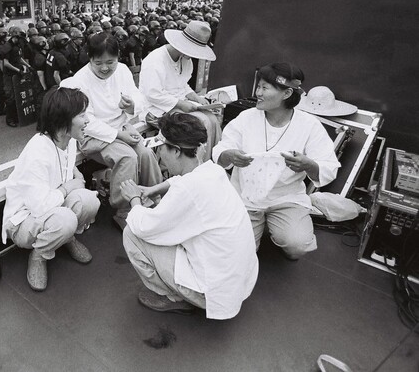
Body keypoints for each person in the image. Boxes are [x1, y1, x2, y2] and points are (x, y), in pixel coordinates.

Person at [120, 112, 258, 319]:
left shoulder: (189, 190)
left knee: (131, 233)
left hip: (210, 294)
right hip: (237, 282)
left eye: (161, 149)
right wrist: (154, 189)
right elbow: (183, 181)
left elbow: (144, 227)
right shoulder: (214, 171)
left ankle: (174, 298)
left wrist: (134, 199)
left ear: (175, 151)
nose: (161, 156)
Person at [211, 62, 341, 260]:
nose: (258, 92)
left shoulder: (309, 125)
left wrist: (308, 165)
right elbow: (220, 149)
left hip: (285, 198)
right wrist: (229, 155)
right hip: (246, 197)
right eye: (259, 86)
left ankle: (280, 227)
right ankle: (256, 226)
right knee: (238, 255)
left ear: (287, 94)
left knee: (297, 246)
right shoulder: (246, 118)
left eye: (264, 87)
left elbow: (329, 167)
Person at [60, 32, 162, 229]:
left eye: (110, 62)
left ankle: (154, 197)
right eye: (98, 63)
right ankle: (124, 210)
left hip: (122, 126)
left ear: (118, 58)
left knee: (146, 154)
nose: (105, 68)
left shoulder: (123, 70)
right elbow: (86, 121)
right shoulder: (79, 80)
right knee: (127, 158)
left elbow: (137, 95)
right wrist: (118, 134)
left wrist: (132, 103)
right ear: (89, 58)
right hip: (92, 134)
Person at [2, 87, 99, 291]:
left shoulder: (68, 140)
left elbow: (61, 160)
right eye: (82, 115)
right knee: (66, 220)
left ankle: (67, 237)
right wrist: (68, 187)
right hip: (23, 221)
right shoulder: (37, 151)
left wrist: (74, 172)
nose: (87, 119)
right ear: (64, 121)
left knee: (90, 201)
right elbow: (38, 206)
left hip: (50, 206)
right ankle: (38, 256)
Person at [139, 20, 222, 160]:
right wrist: (181, 104)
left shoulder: (186, 60)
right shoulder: (155, 60)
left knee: (213, 119)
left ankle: (214, 160)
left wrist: (197, 98)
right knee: (201, 122)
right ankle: (200, 164)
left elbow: (182, 85)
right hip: (155, 109)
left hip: (177, 105)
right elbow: (152, 94)